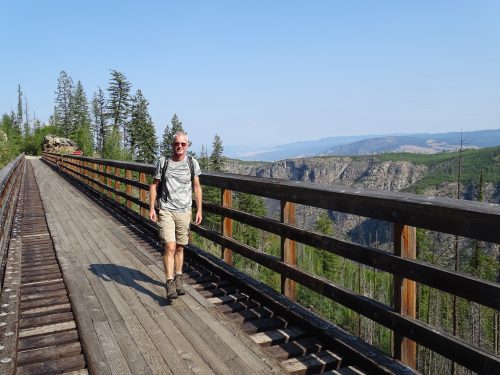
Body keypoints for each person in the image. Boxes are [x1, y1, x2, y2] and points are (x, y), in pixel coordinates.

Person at [149, 131, 203, 300]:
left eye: (183, 144)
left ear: (187, 146)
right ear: (172, 145)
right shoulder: (163, 162)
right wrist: (152, 207)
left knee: (180, 246)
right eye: (176, 144)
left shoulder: (192, 163)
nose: (179, 146)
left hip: (185, 211)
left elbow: (197, 187)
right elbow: (154, 185)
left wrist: (199, 209)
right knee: (170, 247)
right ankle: (169, 281)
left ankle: (179, 276)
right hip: (166, 210)